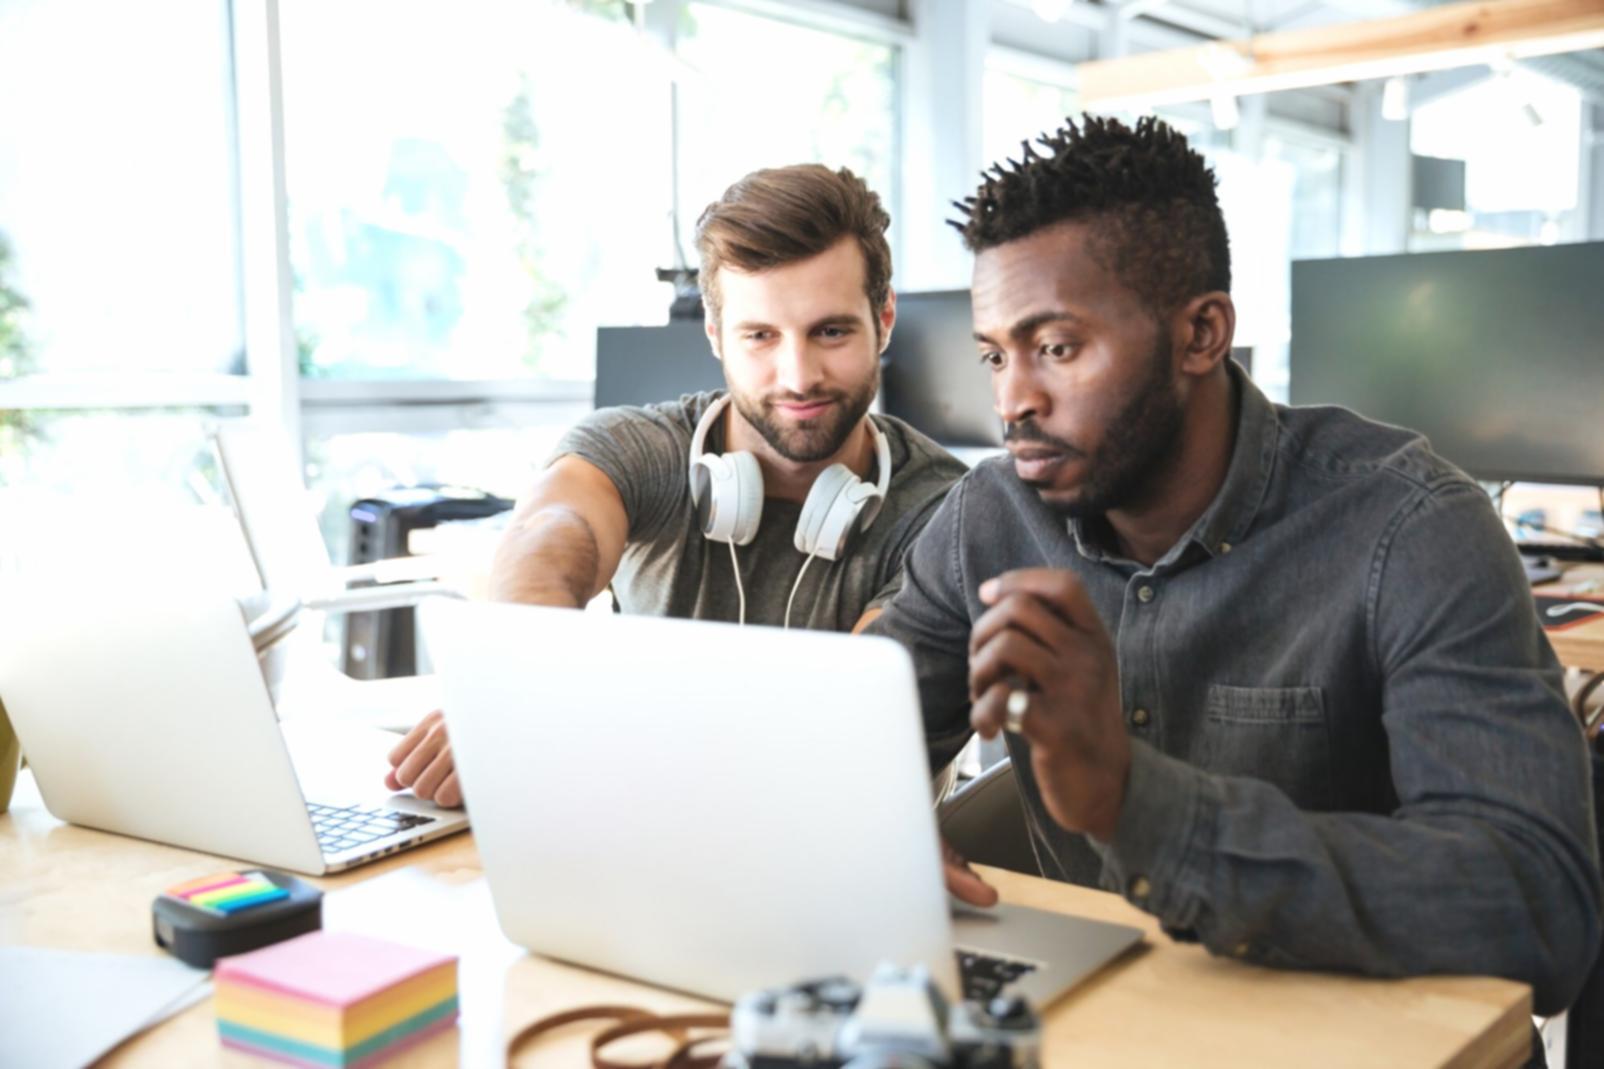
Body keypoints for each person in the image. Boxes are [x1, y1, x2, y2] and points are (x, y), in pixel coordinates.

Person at [870, 115, 1601, 1014]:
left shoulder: (1412, 527)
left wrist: (1135, 801)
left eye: (1056, 347)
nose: (1012, 400)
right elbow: (848, 744)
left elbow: (1539, 910)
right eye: (995, 354)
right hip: (1106, 1021)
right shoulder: (989, 514)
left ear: (1202, 333)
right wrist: (864, 841)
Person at [386, 163, 967, 807]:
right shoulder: (640, 447)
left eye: (830, 332)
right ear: (716, 336)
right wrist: (511, 684)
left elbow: (849, 722)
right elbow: (552, 532)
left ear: (884, 319)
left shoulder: (948, 509)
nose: (798, 375)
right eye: (760, 336)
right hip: (638, 819)